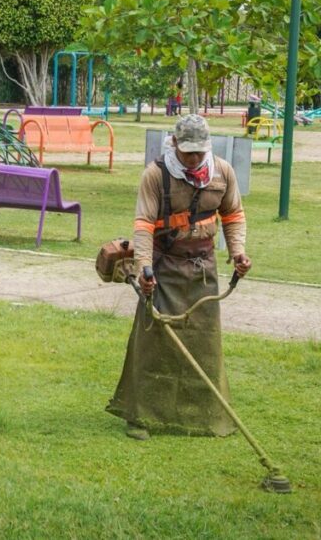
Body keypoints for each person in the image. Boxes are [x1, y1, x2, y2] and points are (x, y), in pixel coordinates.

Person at [107, 113, 252, 441]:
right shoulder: (156, 175)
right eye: (188, 152)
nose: (194, 158)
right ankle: (140, 416)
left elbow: (233, 215)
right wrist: (144, 269)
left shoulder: (222, 172)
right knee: (153, 344)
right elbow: (144, 224)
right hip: (163, 268)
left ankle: (203, 418)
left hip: (203, 271)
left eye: (200, 152)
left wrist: (238, 253)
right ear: (174, 144)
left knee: (205, 344)